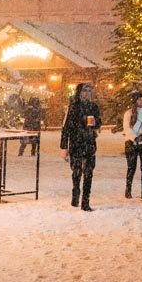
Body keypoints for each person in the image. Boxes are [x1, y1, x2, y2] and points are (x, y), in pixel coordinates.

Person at [60, 83, 102, 211]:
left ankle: (85, 201)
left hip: (89, 143)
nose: (87, 94)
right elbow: (66, 128)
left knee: (89, 173)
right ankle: (76, 193)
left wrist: (96, 123)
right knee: (77, 172)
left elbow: (99, 122)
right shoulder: (73, 107)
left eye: (90, 91)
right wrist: (64, 147)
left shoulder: (94, 107)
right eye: (85, 91)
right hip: (76, 143)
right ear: (79, 93)